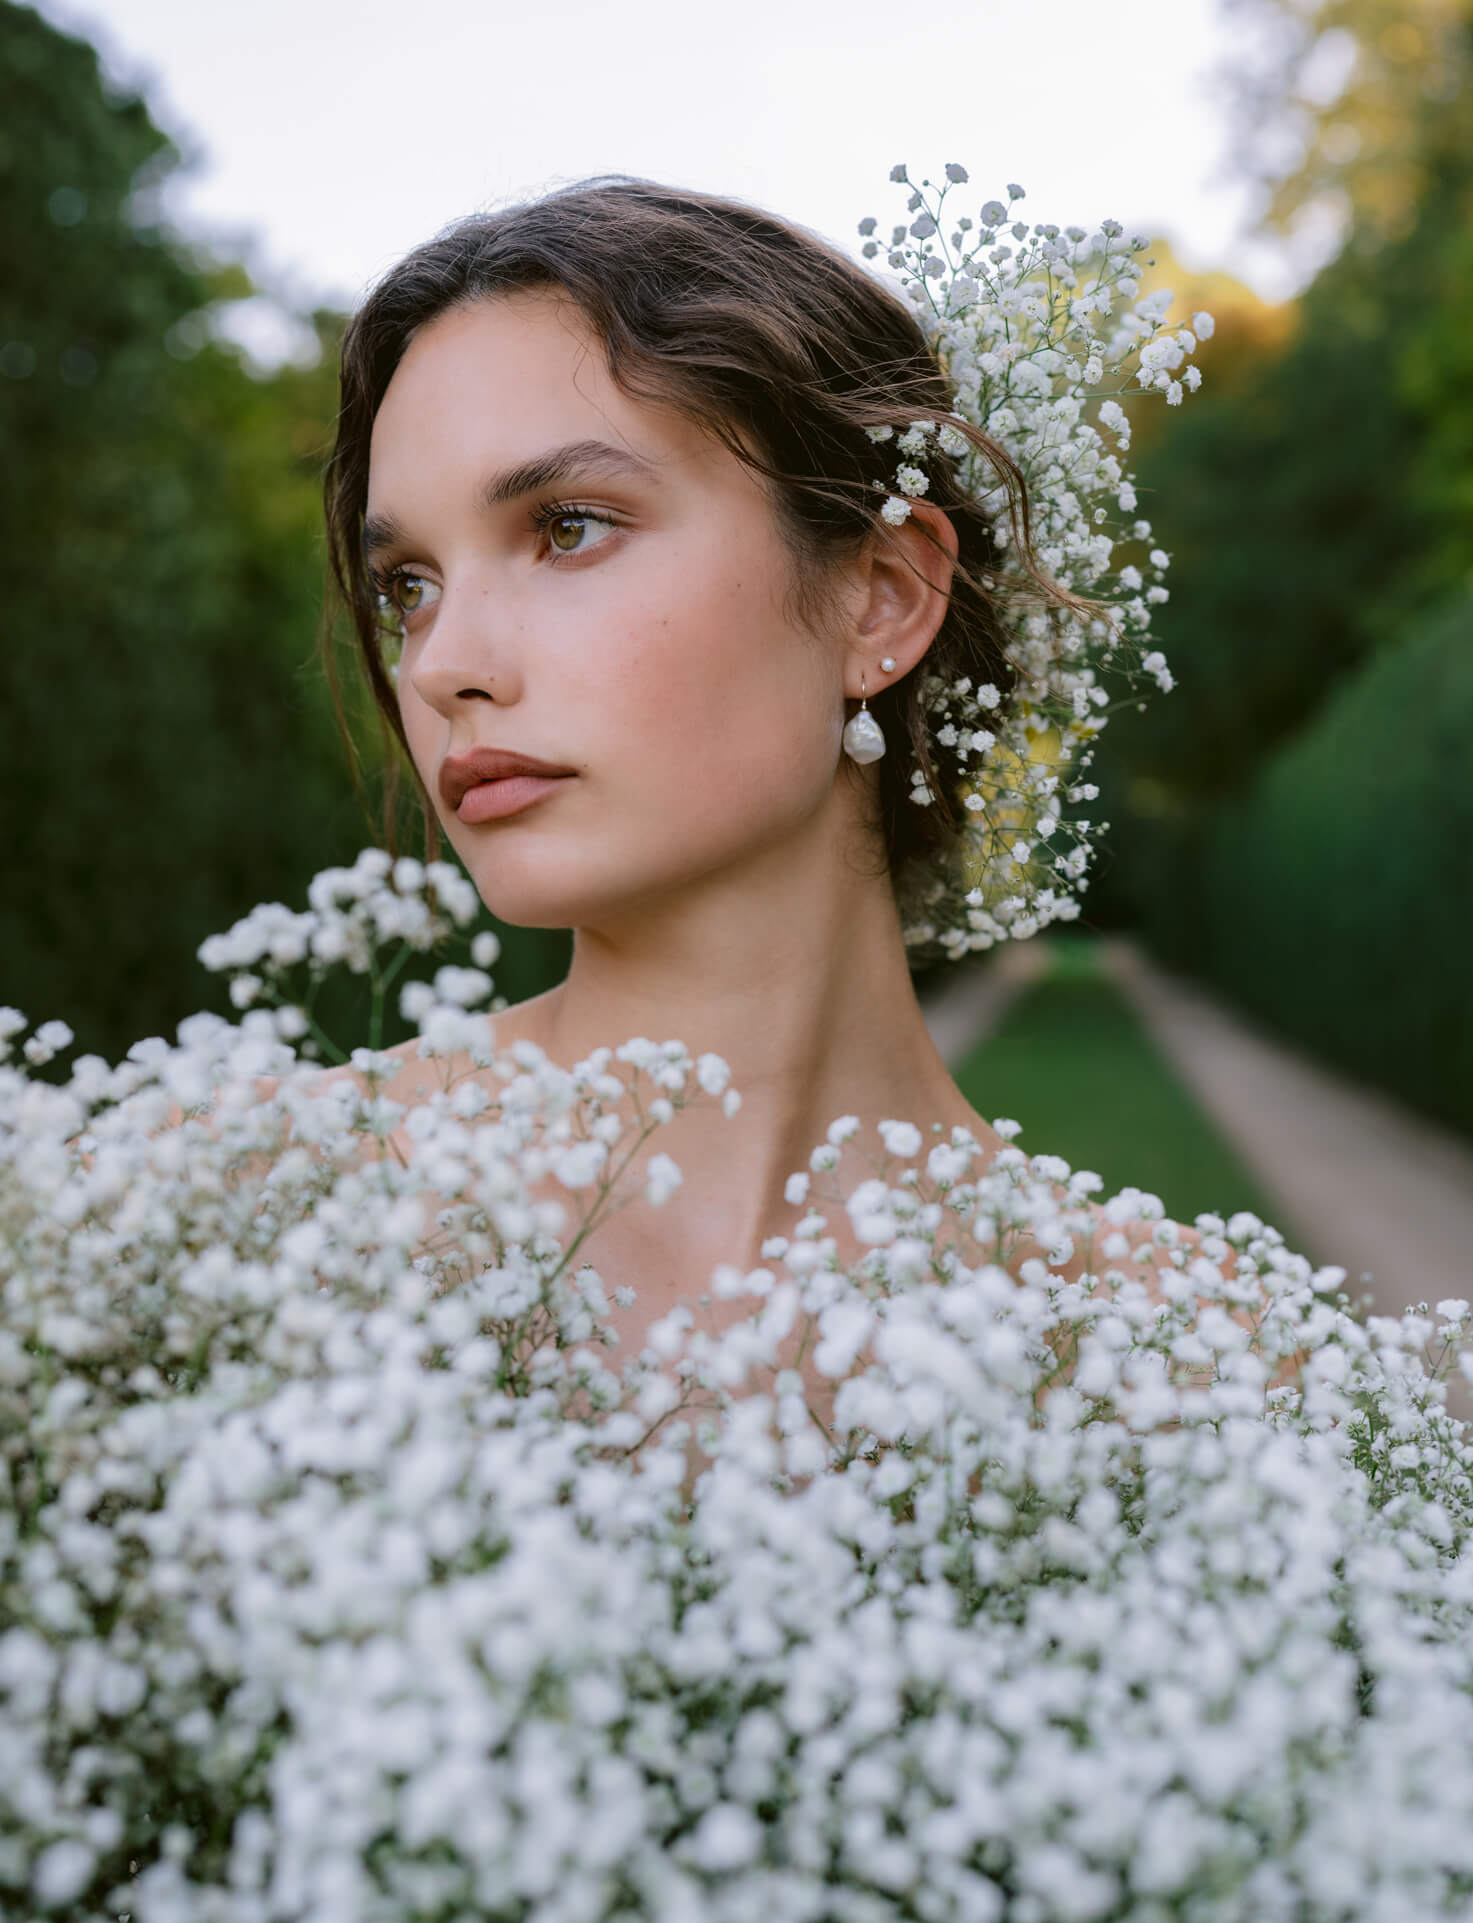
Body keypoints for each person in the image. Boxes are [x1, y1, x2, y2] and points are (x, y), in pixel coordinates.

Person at [319, 176, 1189, 1361]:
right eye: (406, 586)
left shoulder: (1174, 1353)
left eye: (567, 526)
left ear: (882, 595)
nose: (441, 666)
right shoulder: (243, 1215)